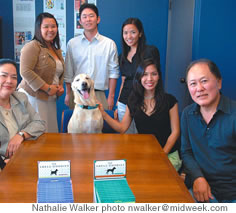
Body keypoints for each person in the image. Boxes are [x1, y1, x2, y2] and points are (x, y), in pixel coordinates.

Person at [99, 59, 181, 171]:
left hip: (168, 155)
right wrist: (104, 114)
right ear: (139, 78)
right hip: (145, 155)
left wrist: (162, 154)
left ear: (159, 77)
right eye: (145, 75)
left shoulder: (170, 100)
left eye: (154, 74)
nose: (149, 79)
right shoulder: (133, 101)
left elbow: (175, 132)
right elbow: (122, 128)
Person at [181, 59, 236, 203]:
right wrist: (198, 178)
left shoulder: (233, 115)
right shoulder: (187, 114)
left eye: (204, 81)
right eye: (193, 84)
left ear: (219, 82)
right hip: (201, 189)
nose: (199, 88)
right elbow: (186, 152)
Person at [0, 58, 46, 160]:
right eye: (4, 75)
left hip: (25, 155)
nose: (9, 81)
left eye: (13, 77)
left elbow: (40, 123)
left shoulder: (21, 97)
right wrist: (1, 163)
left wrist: (21, 135)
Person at [64, 3, 120, 110]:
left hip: (98, 94)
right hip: (77, 94)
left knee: (99, 126)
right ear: (80, 21)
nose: (88, 19)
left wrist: (111, 97)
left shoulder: (109, 44)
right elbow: (68, 71)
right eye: (84, 17)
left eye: (91, 16)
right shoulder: (72, 44)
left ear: (98, 19)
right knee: (77, 126)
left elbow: (114, 72)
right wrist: (68, 93)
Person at [18, 12, 64, 133]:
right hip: (34, 97)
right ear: (39, 28)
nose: (50, 30)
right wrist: (47, 88)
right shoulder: (32, 46)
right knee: (37, 133)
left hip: (49, 98)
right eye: (46, 26)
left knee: (50, 132)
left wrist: (60, 87)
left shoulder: (55, 49)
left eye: (53, 26)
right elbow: (25, 71)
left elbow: (57, 72)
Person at [116, 17, 160, 133]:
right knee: (127, 140)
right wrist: (117, 103)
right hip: (124, 103)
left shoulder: (150, 51)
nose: (129, 36)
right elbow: (124, 81)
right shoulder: (122, 57)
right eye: (125, 33)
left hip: (143, 103)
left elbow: (155, 78)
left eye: (133, 32)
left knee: (145, 137)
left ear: (140, 33)